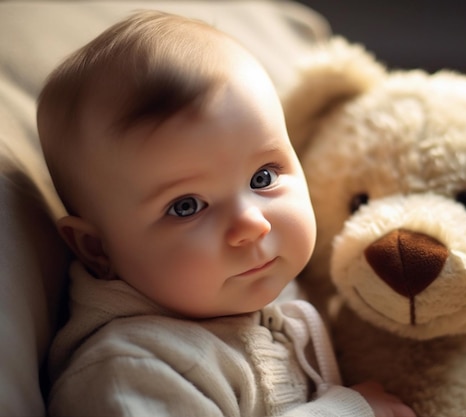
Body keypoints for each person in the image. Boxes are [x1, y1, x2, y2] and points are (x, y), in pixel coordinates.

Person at [37, 10, 415, 417]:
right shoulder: (131, 369)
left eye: (263, 177)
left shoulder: (267, 289)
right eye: (187, 206)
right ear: (98, 249)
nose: (252, 224)